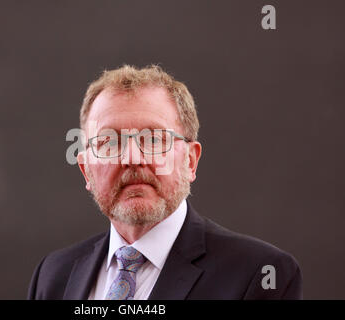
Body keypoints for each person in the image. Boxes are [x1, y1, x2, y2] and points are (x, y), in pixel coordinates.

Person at [28, 65, 302, 300]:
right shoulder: (53, 276)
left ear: (191, 161)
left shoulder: (259, 273)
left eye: (155, 140)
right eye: (109, 142)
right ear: (86, 170)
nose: (132, 158)